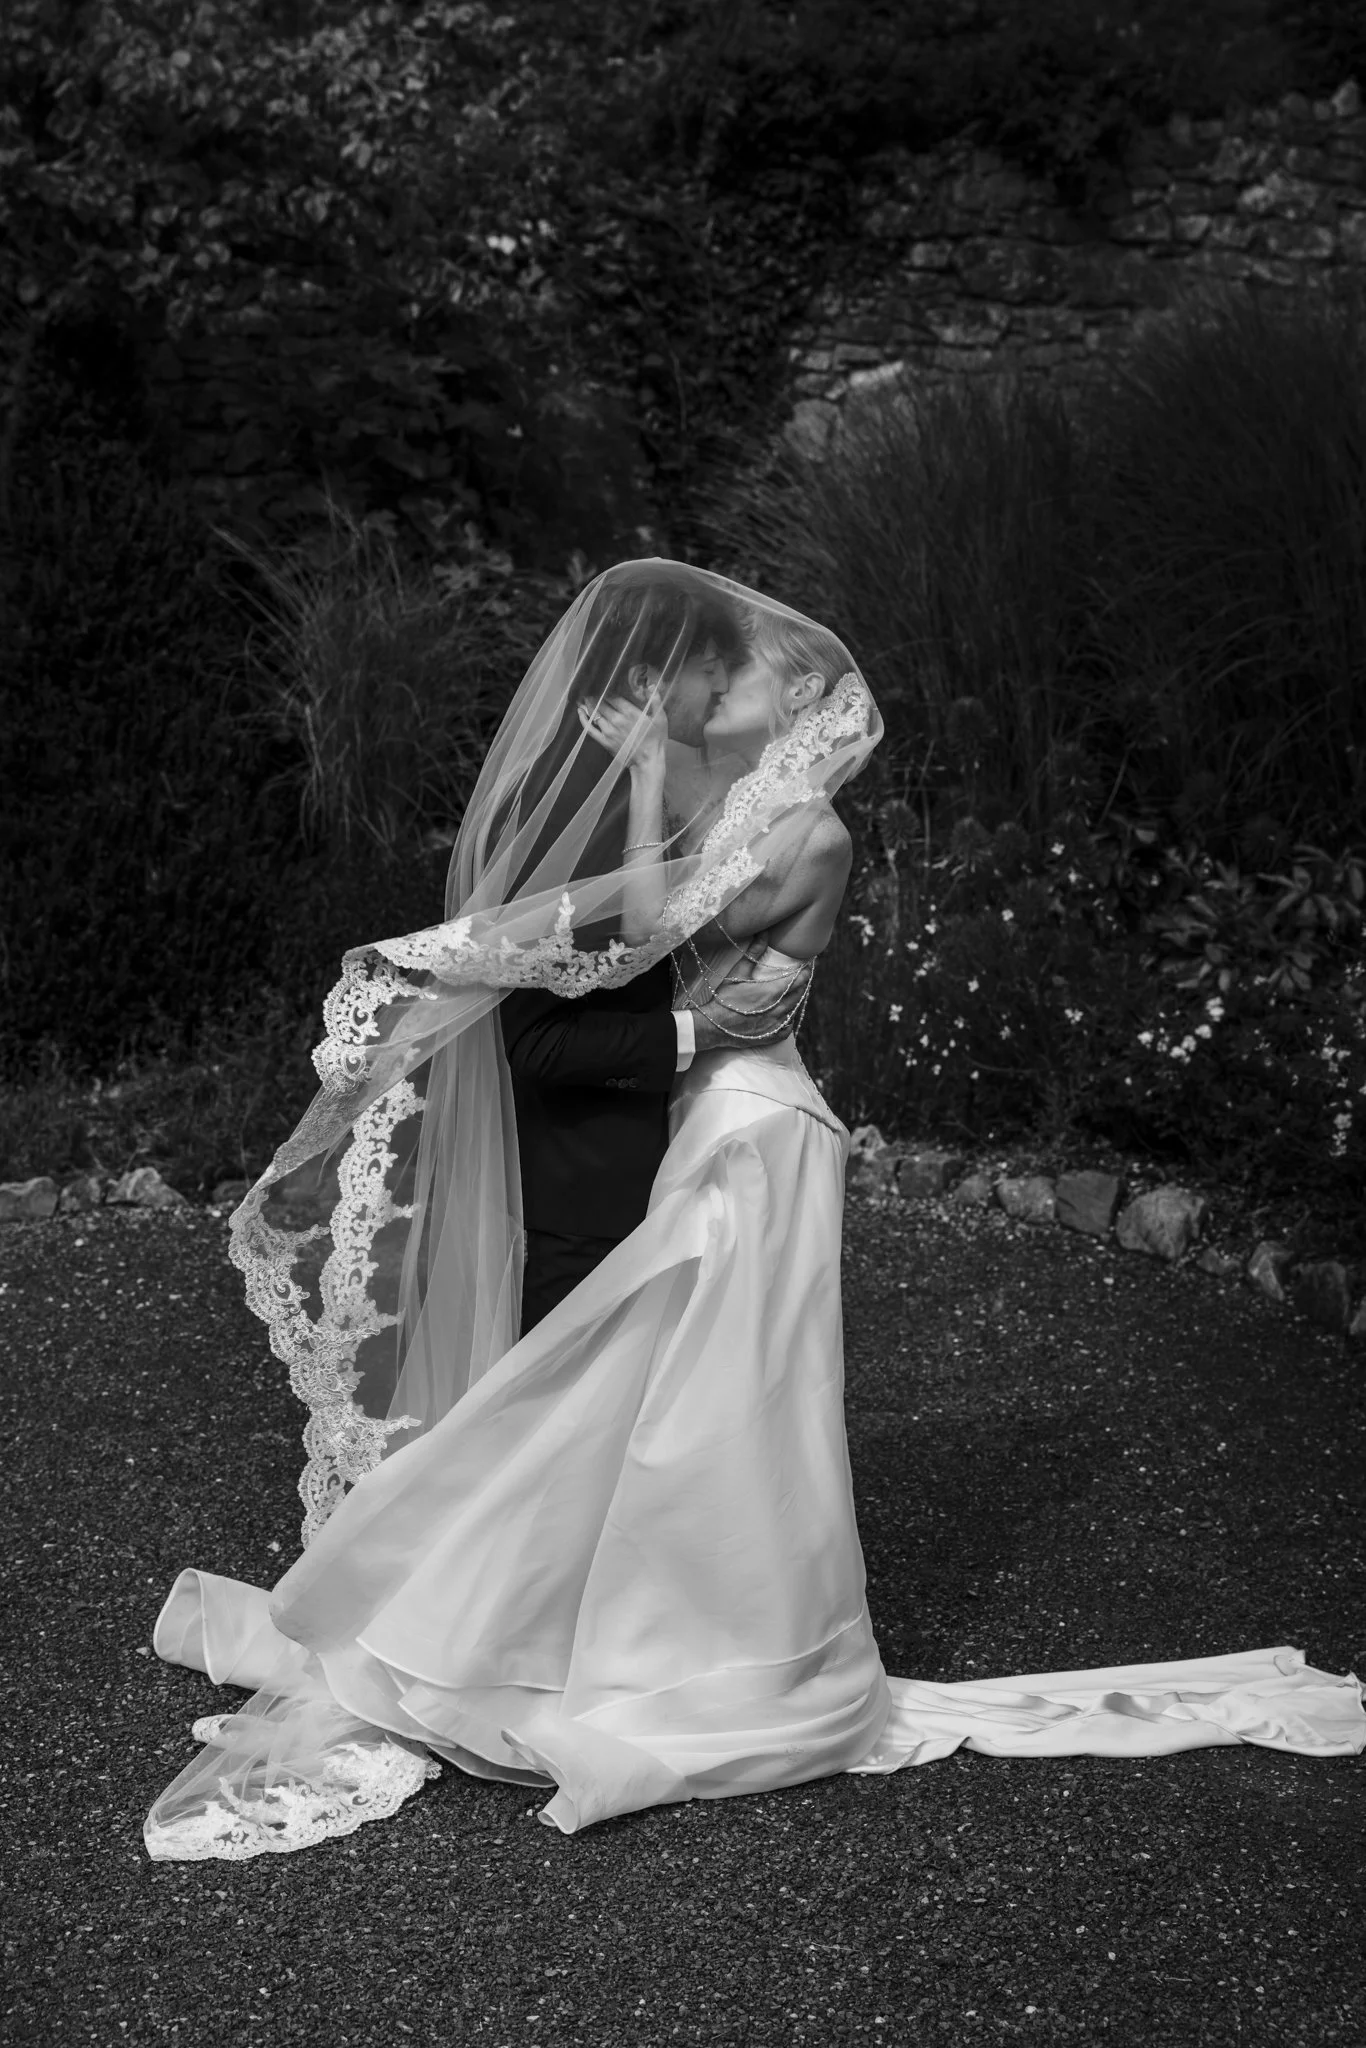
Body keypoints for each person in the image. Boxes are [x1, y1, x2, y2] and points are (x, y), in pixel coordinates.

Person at [144, 563, 1364, 1860]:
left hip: (750, 1129)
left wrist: (550, 872)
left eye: (738, 684)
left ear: (784, 714)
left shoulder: (806, 837)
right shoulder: (715, 805)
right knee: (651, 1401)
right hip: (698, 1119)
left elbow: (653, 916)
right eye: (712, 678)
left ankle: (701, 1660)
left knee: (717, 1408)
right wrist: (628, 801)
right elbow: (647, 905)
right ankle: (600, 1637)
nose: (719, 694)